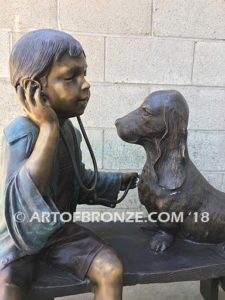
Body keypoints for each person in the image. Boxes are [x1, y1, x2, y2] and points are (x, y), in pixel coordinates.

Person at [0, 29, 138, 300]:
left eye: (84, 74)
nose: (85, 84)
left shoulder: (69, 132)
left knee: (110, 268)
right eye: (70, 77)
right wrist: (48, 127)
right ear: (34, 89)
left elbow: (78, 181)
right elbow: (24, 198)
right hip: (19, 240)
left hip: (57, 232)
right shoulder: (23, 132)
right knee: (6, 288)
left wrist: (116, 180)